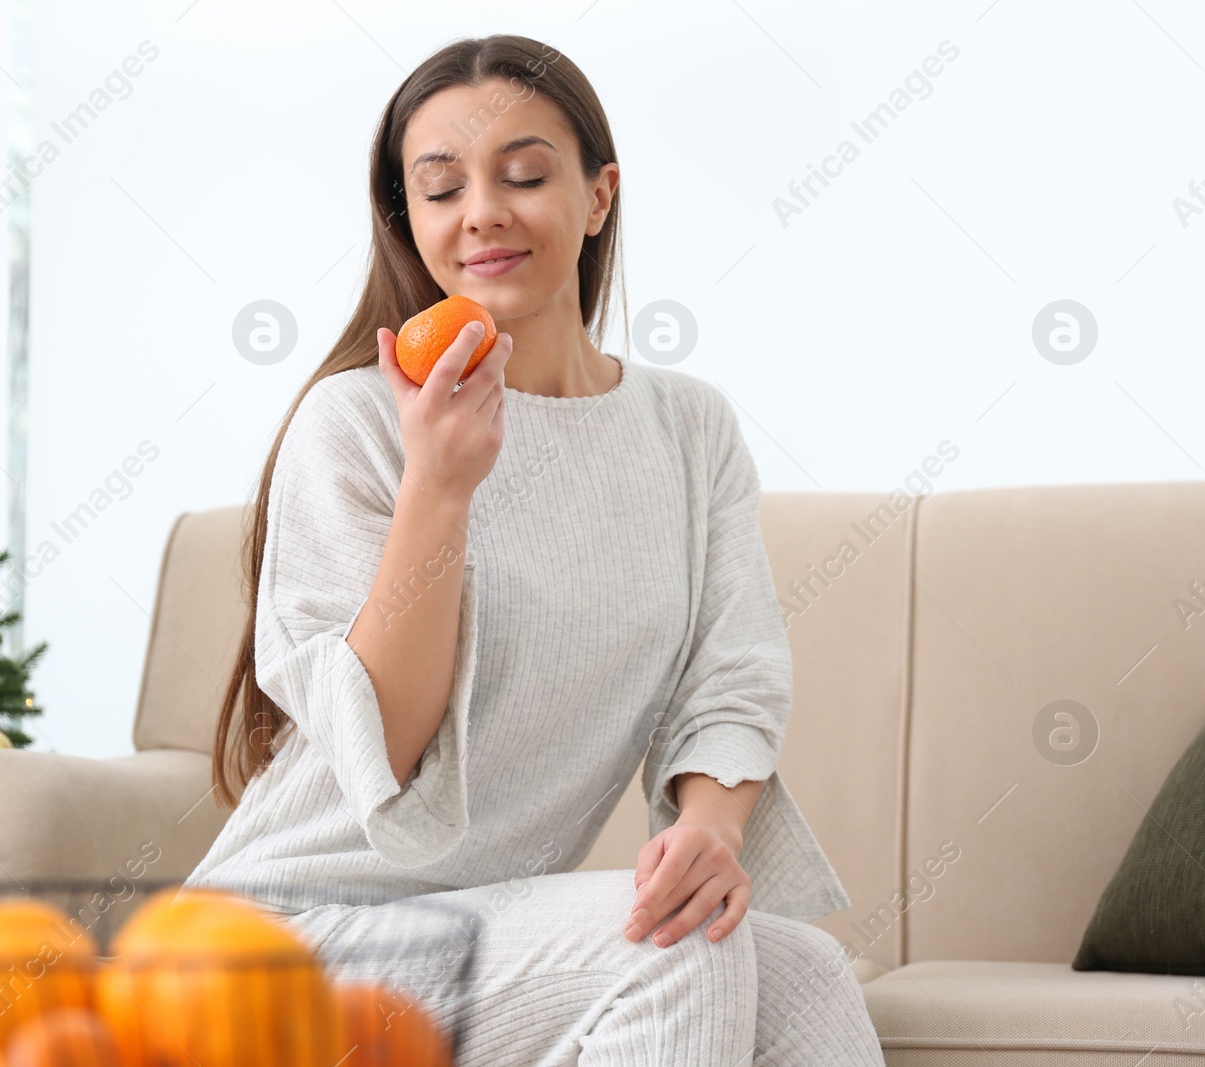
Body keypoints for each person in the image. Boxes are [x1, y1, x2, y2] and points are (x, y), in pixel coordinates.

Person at [187, 33, 886, 1066]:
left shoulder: (689, 429)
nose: (481, 212)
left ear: (599, 196)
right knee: (670, 941)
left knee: (805, 971)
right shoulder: (357, 425)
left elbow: (730, 672)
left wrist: (711, 833)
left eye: (523, 174)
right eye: (439, 189)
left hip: (476, 927)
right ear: (407, 220)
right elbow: (391, 746)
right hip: (278, 945)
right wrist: (439, 485)